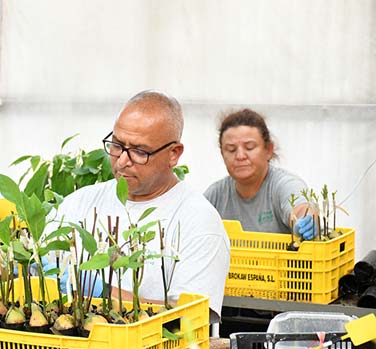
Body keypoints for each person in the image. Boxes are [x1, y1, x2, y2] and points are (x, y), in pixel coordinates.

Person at [49, 90, 230, 323]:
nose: (122, 161)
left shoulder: (197, 220)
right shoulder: (81, 203)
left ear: (174, 154)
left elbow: (189, 318)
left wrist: (103, 293)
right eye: (116, 145)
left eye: (139, 151)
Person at [204, 108, 317, 240]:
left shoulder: (283, 184)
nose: (240, 156)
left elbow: (300, 208)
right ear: (222, 154)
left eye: (249, 147)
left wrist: (306, 221)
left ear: (268, 149)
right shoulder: (215, 195)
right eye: (231, 149)